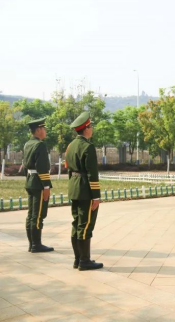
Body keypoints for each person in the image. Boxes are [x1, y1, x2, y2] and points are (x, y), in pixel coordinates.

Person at [66, 112, 103, 271]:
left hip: (74, 188)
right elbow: (92, 174)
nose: (92, 128)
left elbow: (68, 169)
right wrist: (96, 196)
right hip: (85, 190)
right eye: (90, 126)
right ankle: (85, 261)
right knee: (85, 225)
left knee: (76, 223)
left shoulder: (71, 145)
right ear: (85, 129)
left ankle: (77, 259)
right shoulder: (88, 146)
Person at [23, 118, 54, 253]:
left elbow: (25, 165)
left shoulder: (28, 144)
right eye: (44, 129)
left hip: (30, 180)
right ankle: (36, 244)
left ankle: (32, 244)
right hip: (39, 182)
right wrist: (46, 187)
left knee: (31, 214)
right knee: (38, 214)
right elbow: (42, 168)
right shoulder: (40, 145)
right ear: (39, 130)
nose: (45, 131)